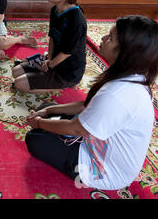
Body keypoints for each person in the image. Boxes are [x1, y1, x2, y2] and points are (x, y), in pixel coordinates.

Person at [25, 15, 157, 190]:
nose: (102, 39)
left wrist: (40, 123)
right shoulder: (131, 77)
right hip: (97, 141)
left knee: (35, 139)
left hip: (104, 170)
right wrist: (48, 113)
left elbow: (76, 128)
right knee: (47, 108)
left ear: (126, 52)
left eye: (110, 38)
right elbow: (87, 105)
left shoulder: (118, 94)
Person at [12, 0, 86, 93]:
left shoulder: (76, 19)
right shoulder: (55, 10)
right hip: (53, 60)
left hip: (68, 71)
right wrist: (49, 59)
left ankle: (66, 85)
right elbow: (52, 36)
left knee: (19, 84)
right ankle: (45, 71)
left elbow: (67, 52)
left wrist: (50, 65)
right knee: (16, 71)